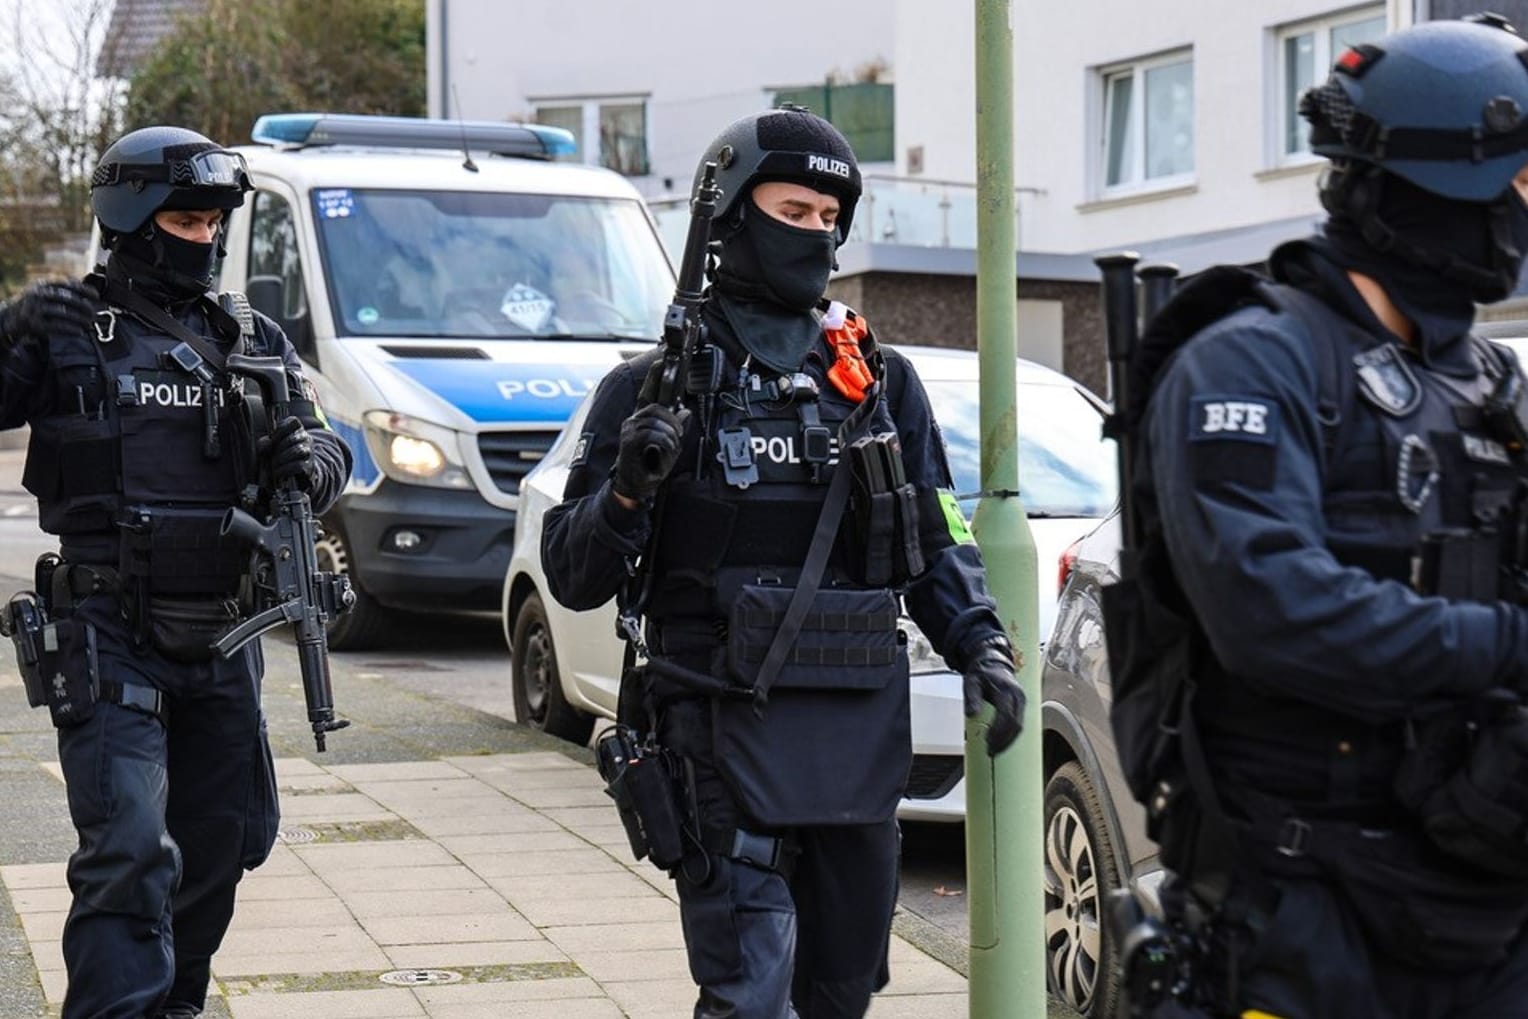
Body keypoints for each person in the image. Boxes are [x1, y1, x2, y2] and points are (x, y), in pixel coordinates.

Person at [540, 106, 1023, 1019]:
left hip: (854, 728)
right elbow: (572, 572)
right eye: (792, 210)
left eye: (827, 218)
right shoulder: (657, 385)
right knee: (751, 991)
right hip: (718, 726)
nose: (816, 233)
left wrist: (981, 642)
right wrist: (630, 492)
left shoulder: (876, 377)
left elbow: (936, 530)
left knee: (842, 991)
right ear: (729, 214)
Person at [1112, 15, 1528, 1018]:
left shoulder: (1482, 379)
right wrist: (1512, 642)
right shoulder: (1251, 361)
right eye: (1518, 180)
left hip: (1473, 888)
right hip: (1303, 909)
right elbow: (1272, 609)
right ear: (1446, 182)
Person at [0, 125, 351, 1019]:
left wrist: (309, 460)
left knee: (226, 836)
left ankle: (174, 1002)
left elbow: (322, 436)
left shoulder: (251, 333)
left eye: (212, 222)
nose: (205, 239)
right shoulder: (71, 329)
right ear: (135, 218)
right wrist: (13, 332)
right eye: (186, 221)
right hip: (108, 628)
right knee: (127, 850)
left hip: (225, 632)